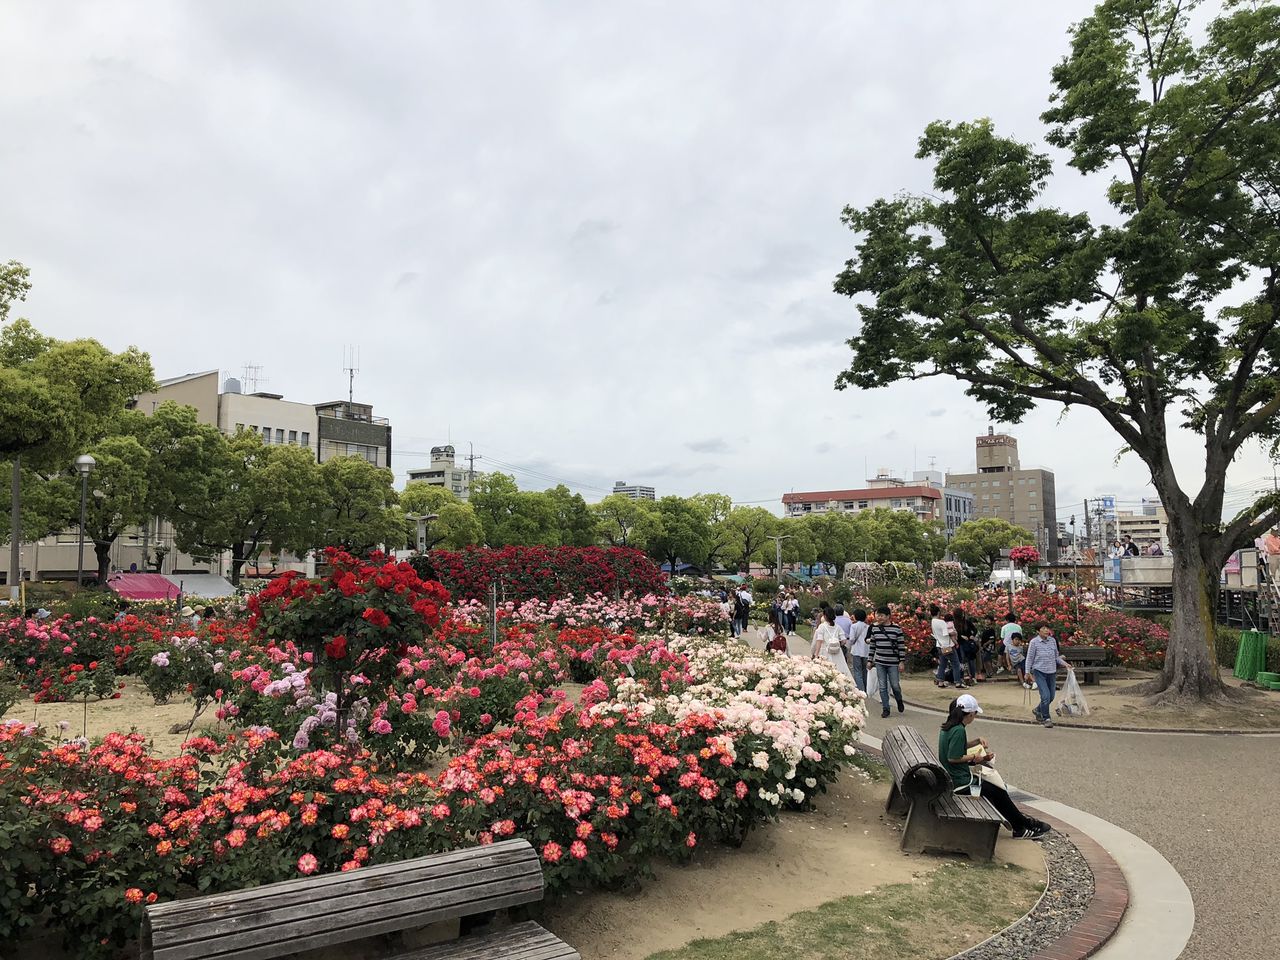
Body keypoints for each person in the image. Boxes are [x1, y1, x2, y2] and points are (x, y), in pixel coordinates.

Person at [939, 695, 1050, 839]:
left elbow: (955, 748)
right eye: (975, 714)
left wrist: (976, 743)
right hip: (961, 784)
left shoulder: (949, 726)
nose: (975, 717)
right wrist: (975, 758)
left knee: (995, 792)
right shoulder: (959, 730)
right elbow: (953, 757)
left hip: (955, 779)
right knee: (997, 792)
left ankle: (1023, 824)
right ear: (971, 714)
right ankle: (1022, 826)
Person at [1026, 624, 1071, 727]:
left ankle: (1037, 710)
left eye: (1047, 628)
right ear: (1038, 631)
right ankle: (1046, 718)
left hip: (1051, 671)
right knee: (1045, 696)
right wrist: (1027, 672)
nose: (1046, 631)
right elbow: (1029, 658)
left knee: (1051, 696)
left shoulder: (1052, 641)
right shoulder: (1034, 642)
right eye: (1043, 629)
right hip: (1039, 671)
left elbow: (1056, 657)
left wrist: (1065, 664)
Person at [867, 605, 906, 718]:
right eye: (877, 615)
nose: (879, 617)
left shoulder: (896, 629)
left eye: (881, 615)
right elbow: (873, 646)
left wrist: (901, 661)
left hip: (893, 662)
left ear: (888, 616)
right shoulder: (875, 629)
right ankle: (886, 708)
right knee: (882, 686)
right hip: (880, 662)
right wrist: (870, 660)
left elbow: (901, 646)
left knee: (895, 685)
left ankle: (899, 699)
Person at [811, 607, 855, 681]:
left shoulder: (822, 627)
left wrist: (816, 654)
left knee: (825, 673)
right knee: (839, 671)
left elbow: (819, 641)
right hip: (837, 653)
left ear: (824, 616)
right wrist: (836, 644)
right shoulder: (837, 627)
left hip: (825, 652)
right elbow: (844, 641)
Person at [931, 604, 964, 688]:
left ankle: (940, 681)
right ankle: (958, 682)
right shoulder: (941, 622)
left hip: (940, 645)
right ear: (938, 612)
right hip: (948, 645)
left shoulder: (933, 621)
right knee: (956, 664)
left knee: (942, 664)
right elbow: (946, 634)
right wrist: (954, 633)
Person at [846, 608, 871, 694]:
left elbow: (852, 639)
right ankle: (866, 689)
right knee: (865, 671)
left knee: (857, 671)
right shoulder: (868, 627)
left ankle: (861, 690)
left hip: (856, 651)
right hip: (866, 651)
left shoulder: (854, 626)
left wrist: (850, 644)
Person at [954, 608, 979, 683]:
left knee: (971, 660)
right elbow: (953, 634)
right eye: (961, 613)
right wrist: (961, 636)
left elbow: (975, 629)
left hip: (968, 643)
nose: (963, 615)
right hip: (960, 644)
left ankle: (973, 676)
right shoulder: (954, 623)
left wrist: (972, 635)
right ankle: (962, 677)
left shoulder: (967, 622)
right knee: (962, 660)